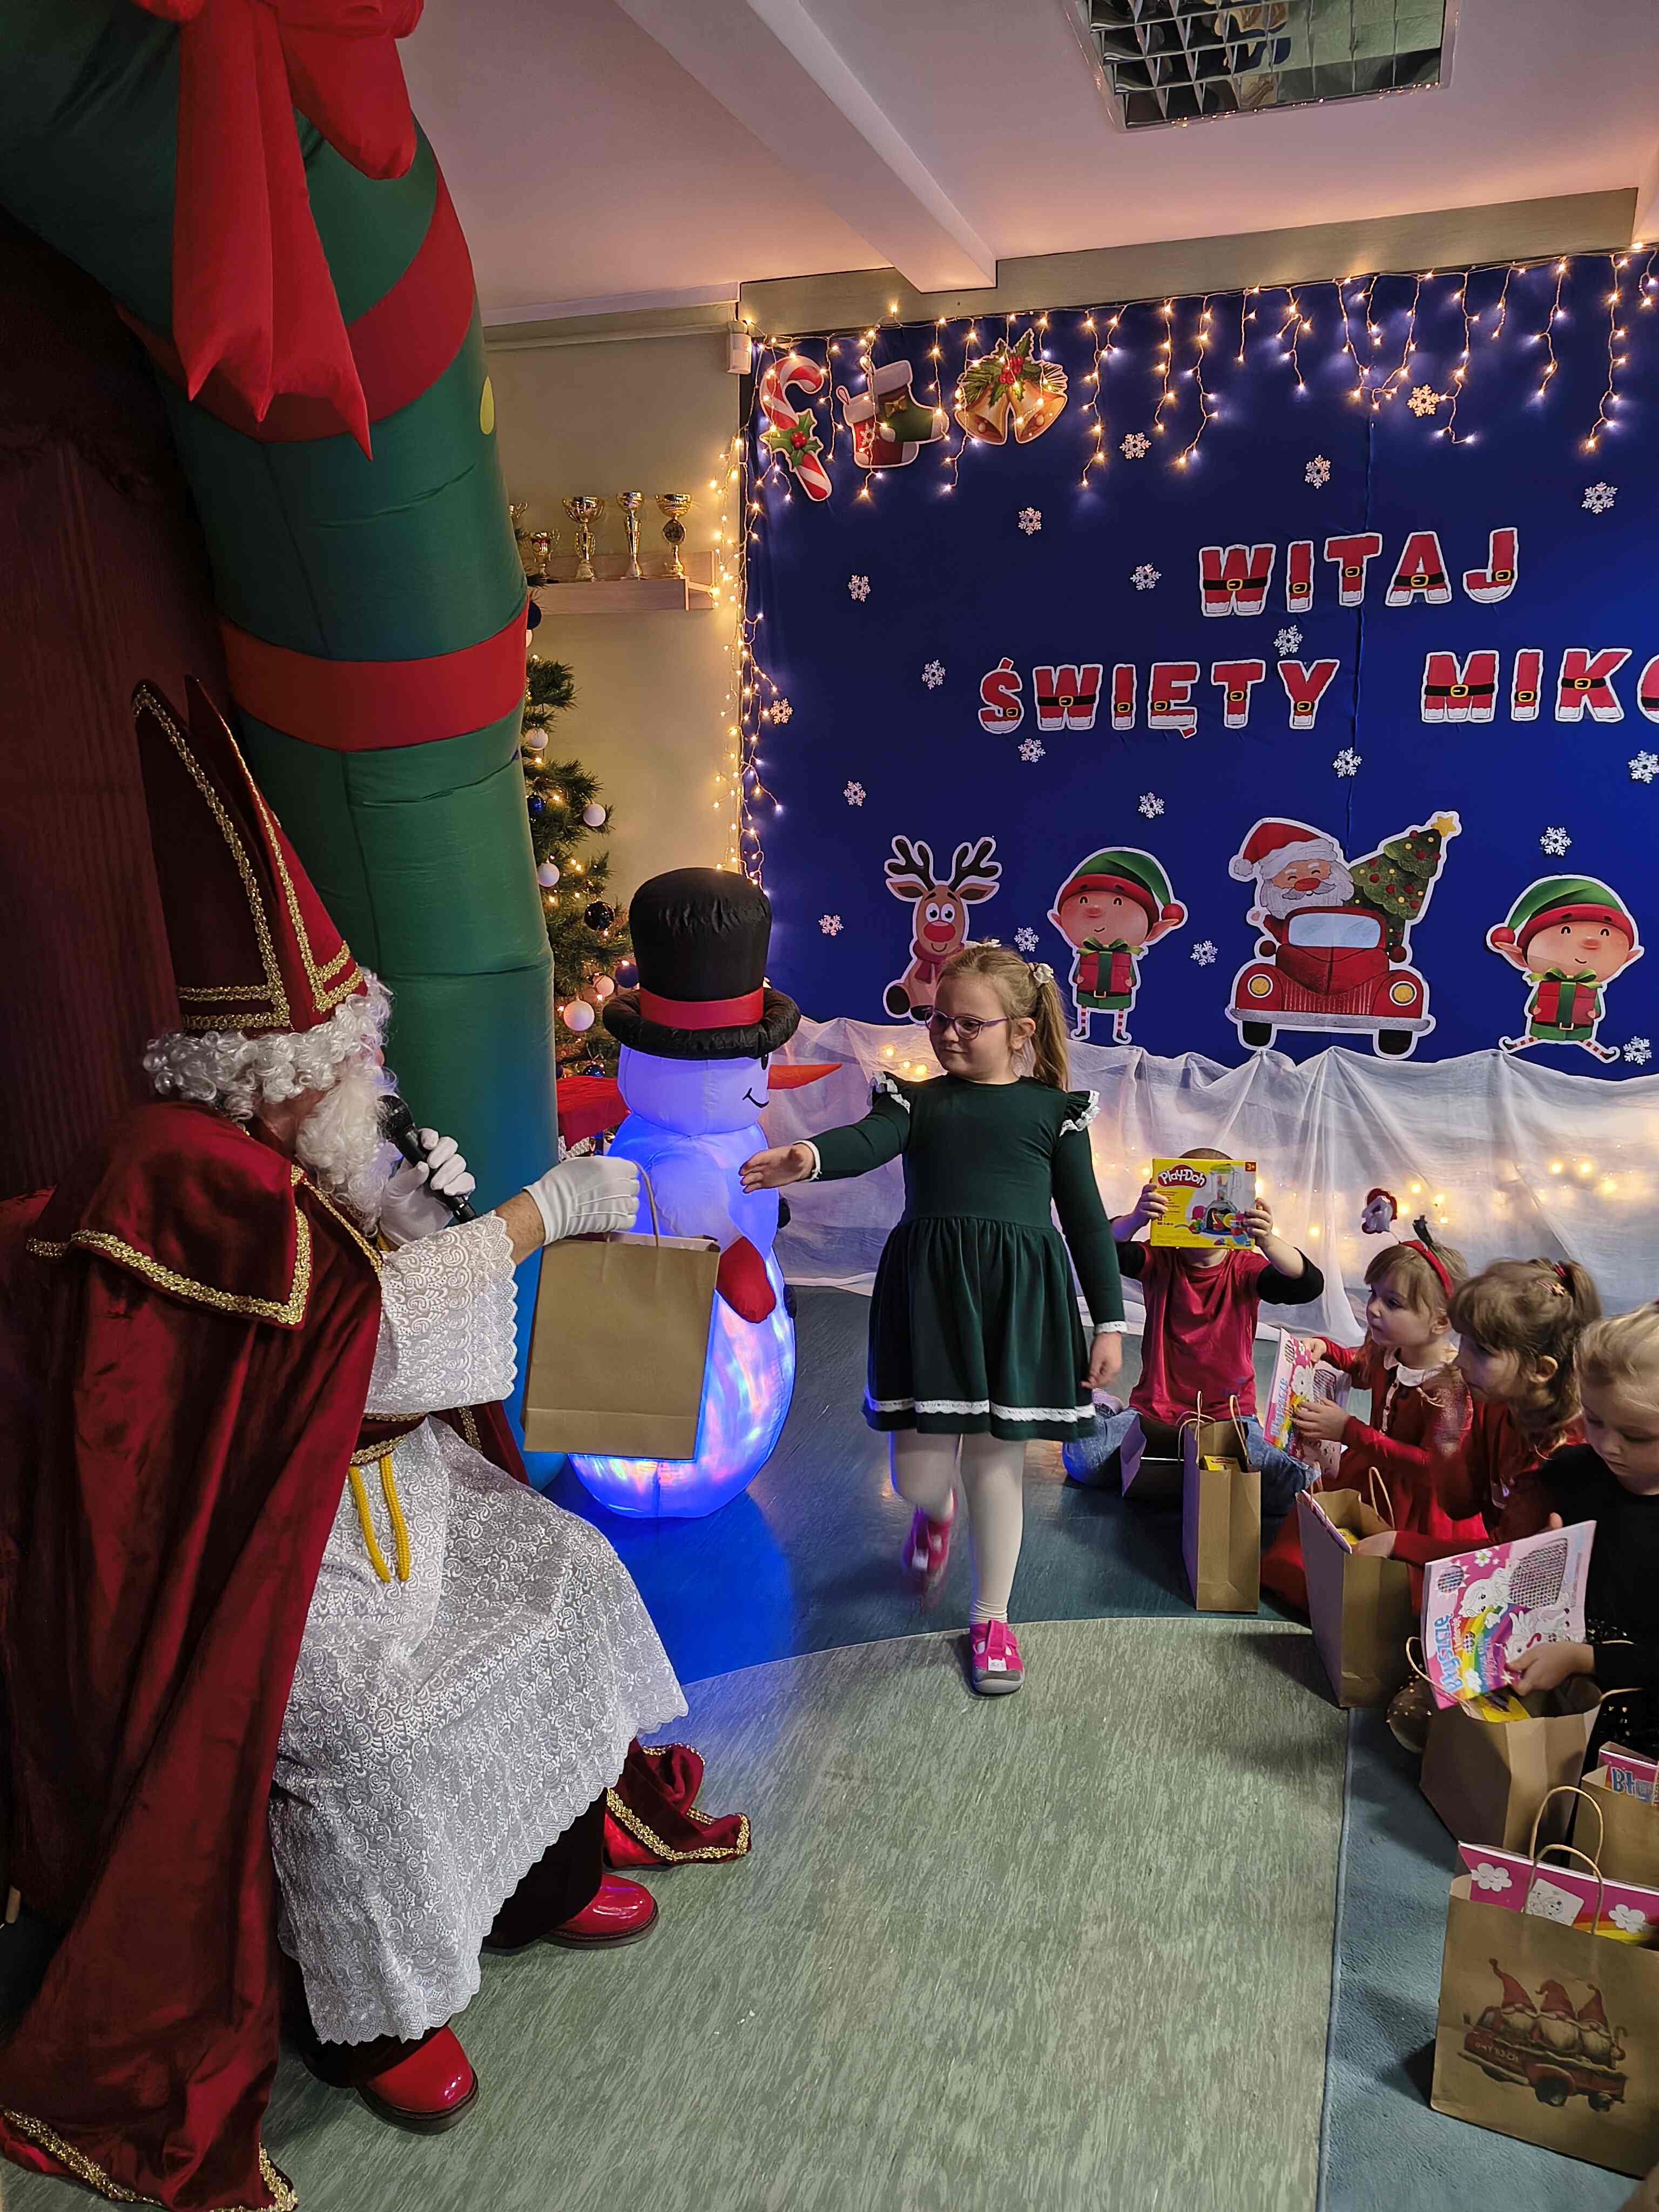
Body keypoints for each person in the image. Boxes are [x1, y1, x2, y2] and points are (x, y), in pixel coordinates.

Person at [0, 680, 692, 2210]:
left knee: (570, 1575)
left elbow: (379, 1309)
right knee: (371, 1739)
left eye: (358, 1043)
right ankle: (380, 2020)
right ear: (259, 1076)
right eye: (337, 1053)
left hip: (396, 1501)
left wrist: (450, 1206)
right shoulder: (183, 1173)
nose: (362, 1074)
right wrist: (536, 1216)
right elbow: (361, 1353)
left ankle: (540, 1879)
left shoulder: (323, 1146)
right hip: (280, 1551)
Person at [740, 946, 1124, 1696]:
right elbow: (866, 1141)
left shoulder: (1056, 1114)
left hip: (1015, 1300)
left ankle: (992, 1618)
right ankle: (935, 1512)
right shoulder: (915, 1101)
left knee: (995, 1466)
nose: (948, 1034)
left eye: (969, 1024)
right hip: (929, 1295)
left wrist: (1107, 1321)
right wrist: (809, 1156)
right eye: (939, 1019)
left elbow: (1085, 1222)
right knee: (917, 1479)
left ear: (1021, 1031)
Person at [1349, 1255, 1598, 1752]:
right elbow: (1461, 1505)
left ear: (1541, 1371)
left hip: (1551, 1623)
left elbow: (1507, 1573)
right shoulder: (1495, 1405)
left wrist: (1401, 1543)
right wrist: (1449, 1430)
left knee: (1424, 1722)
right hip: (1503, 1591)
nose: (1460, 1360)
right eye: (1463, 1342)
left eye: (1481, 1350)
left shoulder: (1566, 1456)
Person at [1060, 1147, 1324, 1510]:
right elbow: (1098, 1248)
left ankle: (1188, 1469)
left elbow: (1307, 1284)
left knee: (1288, 1490)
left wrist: (1267, 1240)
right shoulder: (1161, 1257)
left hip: (1231, 1418)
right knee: (1083, 1460)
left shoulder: (1244, 1266)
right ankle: (1106, 1410)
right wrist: (1135, 1219)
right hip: (1155, 1412)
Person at [1262, 1226, 1479, 1611]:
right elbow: (1362, 1368)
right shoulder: (1388, 1349)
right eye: (1374, 1294)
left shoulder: (1449, 1388)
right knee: (1299, 1562)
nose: (1374, 1308)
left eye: (1393, 1303)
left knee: (1390, 1597)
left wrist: (1350, 1431)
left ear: (1441, 1322)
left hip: (1416, 1505)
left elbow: (1433, 1469)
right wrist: (1327, 1349)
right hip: (1370, 1475)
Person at [1507, 1304, 1659, 1763]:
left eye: (1636, 1436)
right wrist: (1537, 1552)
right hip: (1552, 1657)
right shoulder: (1572, 1473)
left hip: (1635, 1701)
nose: (1608, 1445)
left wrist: (1585, 1658)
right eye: (1594, 1420)